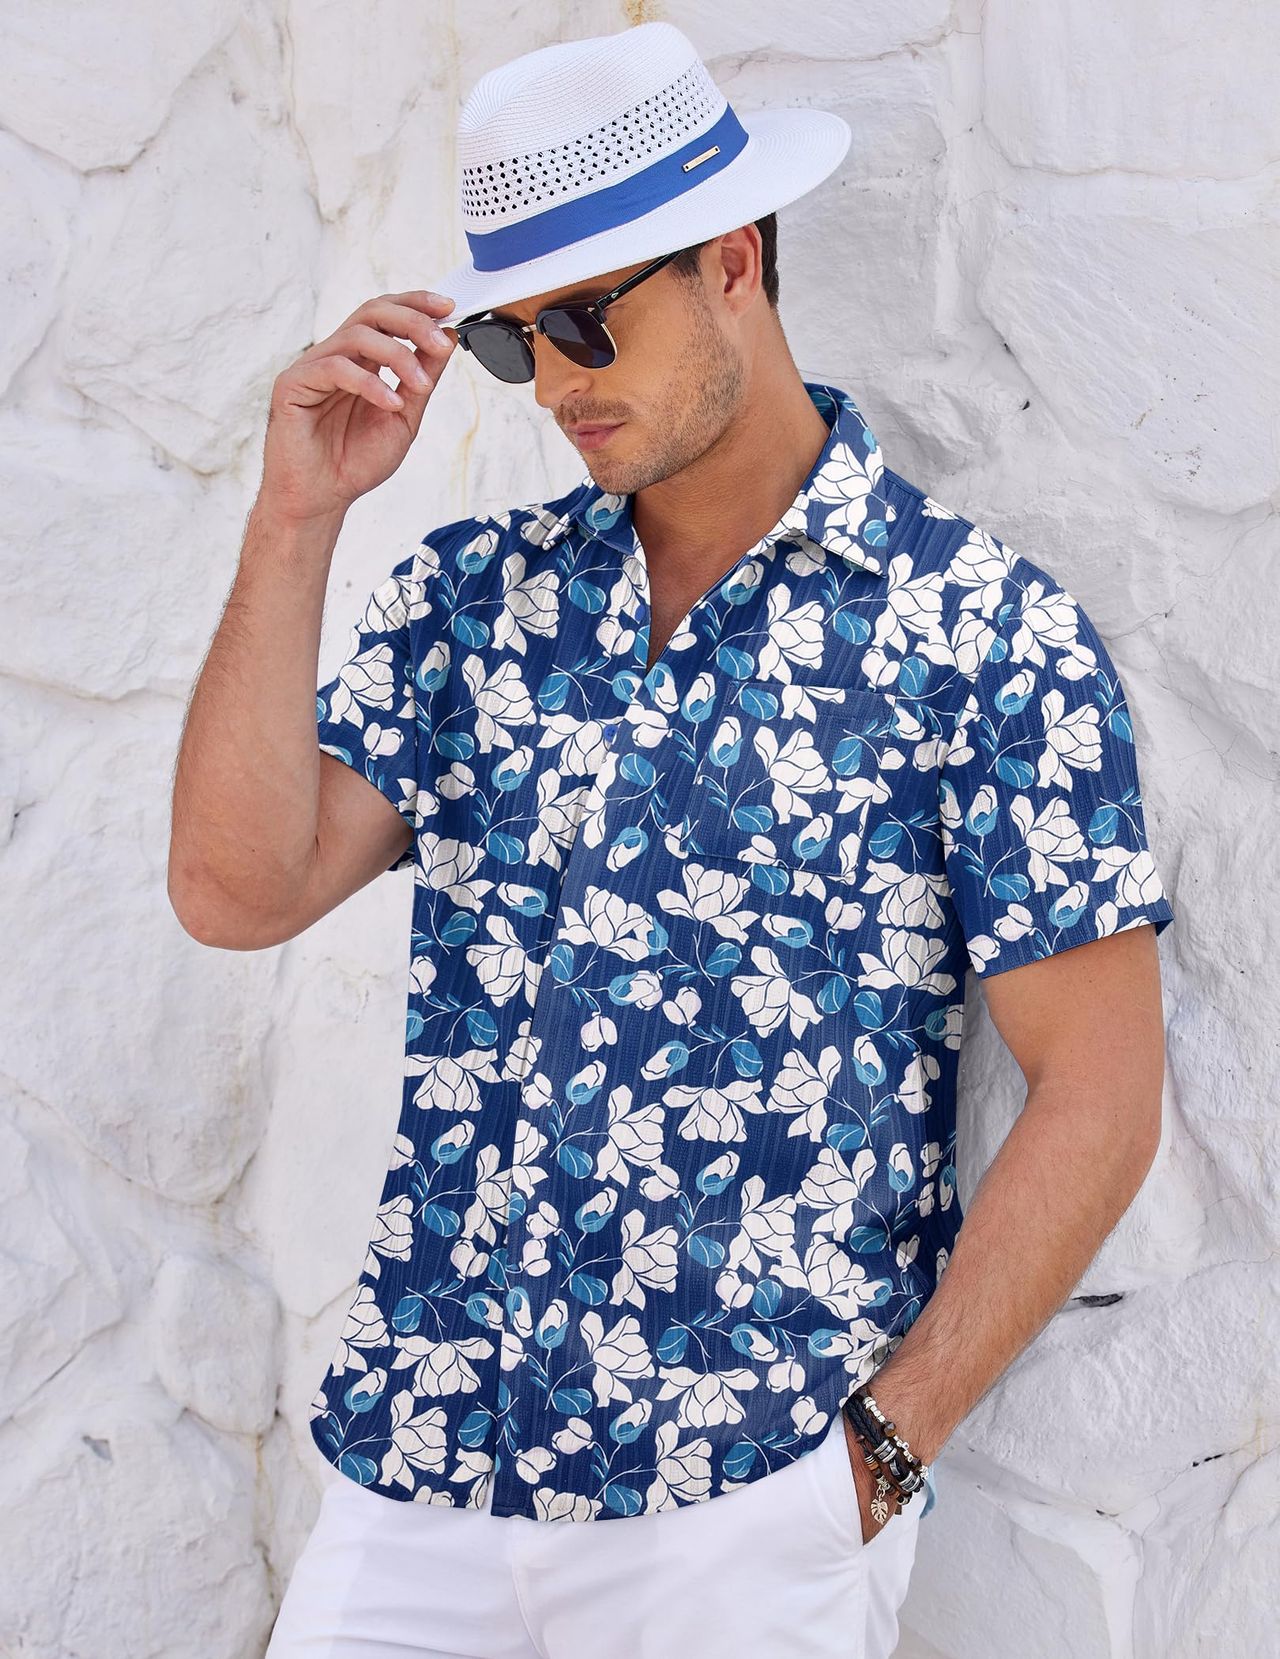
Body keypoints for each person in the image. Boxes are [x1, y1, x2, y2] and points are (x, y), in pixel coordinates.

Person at [168, 19, 1175, 1659]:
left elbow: (1104, 1089)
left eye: (587, 319)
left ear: (732, 264)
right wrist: (297, 516)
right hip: (422, 1466)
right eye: (517, 343)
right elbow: (233, 891)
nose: (560, 382)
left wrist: (874, 1463)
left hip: (737, 1512)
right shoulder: (473, 606)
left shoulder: (979, 636)